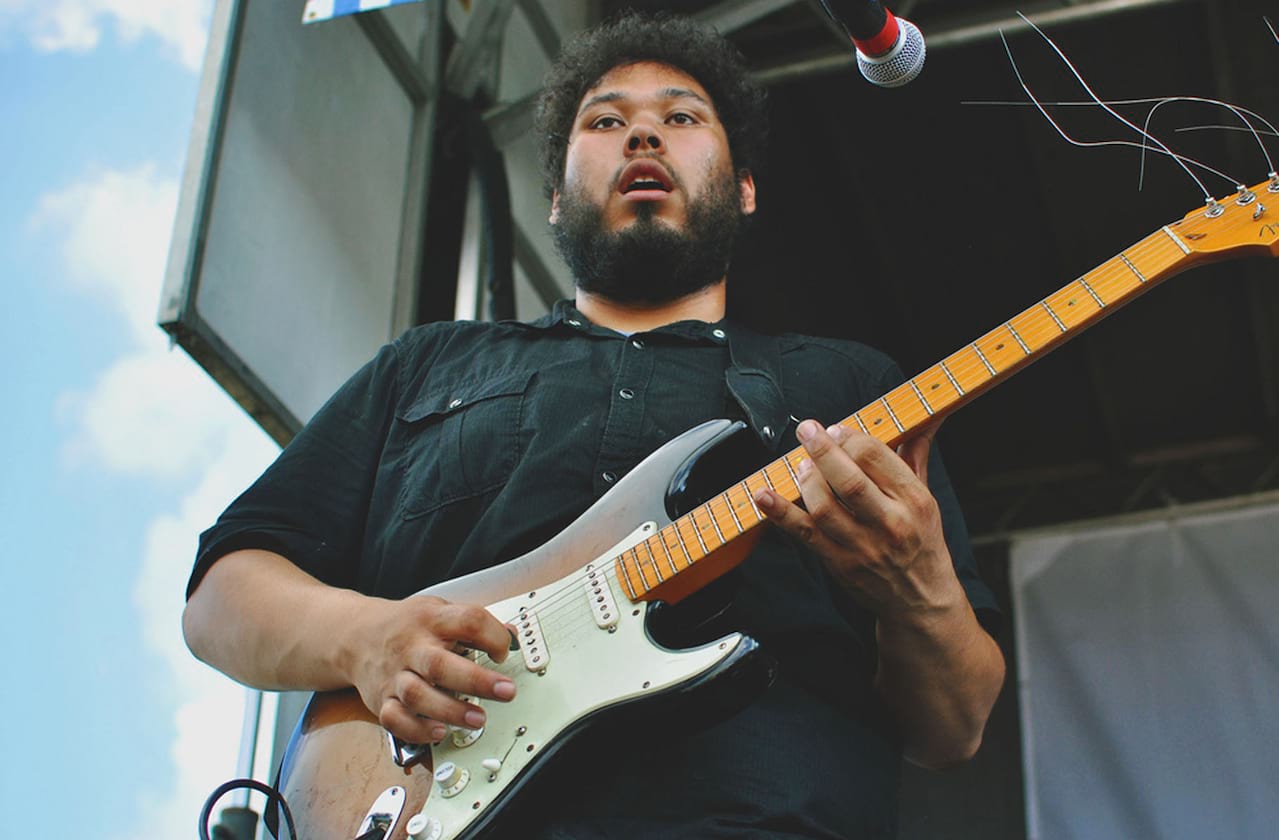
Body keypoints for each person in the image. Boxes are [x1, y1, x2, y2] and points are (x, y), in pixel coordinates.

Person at [183, 12, 1005, 839]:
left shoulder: (848, 387)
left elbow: (954, 727)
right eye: (605, 120)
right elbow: (221, 596)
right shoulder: (428, 364)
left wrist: (922, 589)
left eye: (681, 117)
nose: (642, 131)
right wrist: (361, 637)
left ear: (744, 188)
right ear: (553, 198)